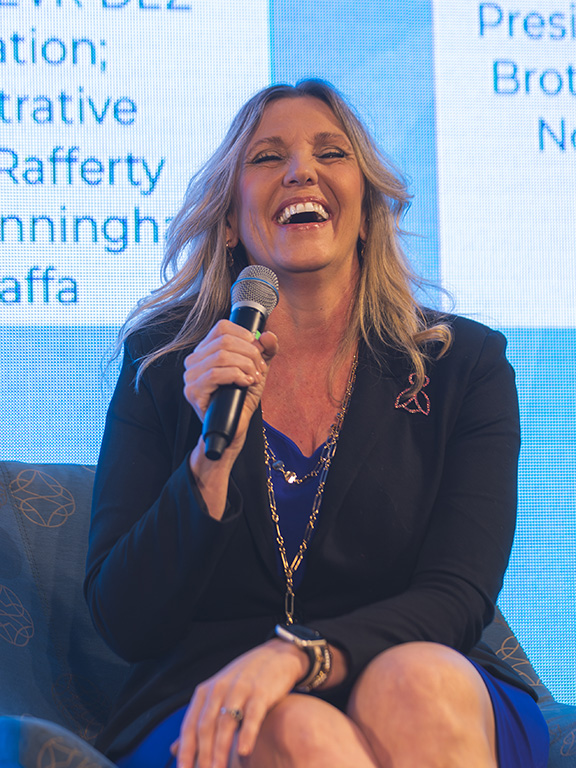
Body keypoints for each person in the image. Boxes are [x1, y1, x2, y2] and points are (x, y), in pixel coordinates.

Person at [84, 80, 550, 768]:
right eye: (268, 158)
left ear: (366, 211)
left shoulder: (463, 366)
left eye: (330, 153)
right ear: (228, 222)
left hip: (419, 674)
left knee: (418, 680)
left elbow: (457, 595)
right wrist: (209, 467)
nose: (302, 169)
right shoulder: (163, 366)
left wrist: (298, 656)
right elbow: (125, 619)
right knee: (297, 732)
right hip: (216, 689)